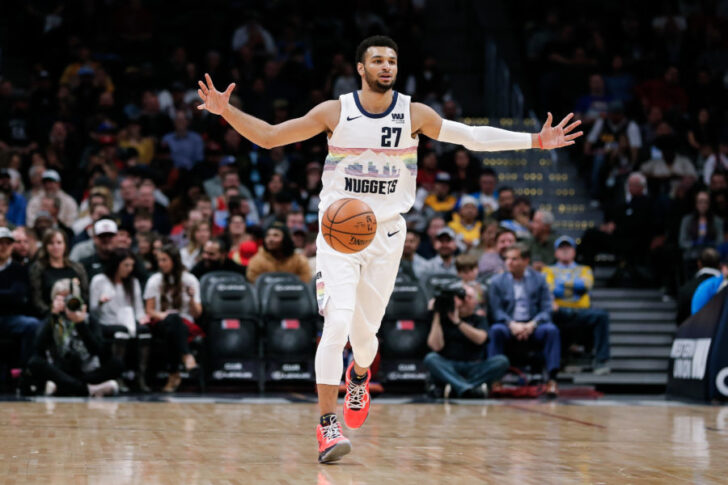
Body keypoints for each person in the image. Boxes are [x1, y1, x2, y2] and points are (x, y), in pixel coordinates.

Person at [197, 35, 581, 463]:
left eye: (392, 61)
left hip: (386, 236)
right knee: (337, 322)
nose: (386, 67)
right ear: (360, 68)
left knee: (365, 341)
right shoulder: (335, 111)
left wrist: (535, 141)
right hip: (337, 234)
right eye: (377, 60)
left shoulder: (414, 113)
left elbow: (472, 136)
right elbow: (269, 137)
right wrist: (226, 112)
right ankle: (327, 427)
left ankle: (358, 375)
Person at [27, 278, 122, 397]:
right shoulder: (51, 318)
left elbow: (98, 350)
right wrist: (53, 317)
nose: (66, 303)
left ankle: (64, 387)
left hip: (87, 370)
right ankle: (90, 390)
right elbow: (38, 346)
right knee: (34, 362)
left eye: (69, 298)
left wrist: (81, 324)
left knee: (117, 364)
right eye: (61, 299)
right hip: (61, 369)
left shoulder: (88, 319)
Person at [487, 244, 561, 396]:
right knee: (495, 331)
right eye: (507, 259)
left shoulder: (539, 279)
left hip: (533, 324)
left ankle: (552, 380)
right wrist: (512, 324)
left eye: (514, 259)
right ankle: (495, 380)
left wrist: (532, 325)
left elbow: (546, 308)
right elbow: (496, 311)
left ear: (526, 260)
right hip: (508, 325)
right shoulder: (496, 281)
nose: (509, 262)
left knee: (551, 330)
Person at [424, 284, 509, 398]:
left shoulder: (479, 319)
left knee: (502, 361)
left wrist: (457, 321)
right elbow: (436, 346)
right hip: (450, 365)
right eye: (461, 297)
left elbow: (480, 339)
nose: (464, 300)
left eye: (468, 297)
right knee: (431, 359)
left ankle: (457, 386)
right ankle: (468, 388)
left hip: (475, 367)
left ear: (475, 302)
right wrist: (437, 314)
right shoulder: (441, 318)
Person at [543, 236, 610, 374]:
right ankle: (555, 360)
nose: (565, 251)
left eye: (568, 247)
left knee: (602, 316)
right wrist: (574, 288)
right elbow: (551, 289)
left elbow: (586, 285)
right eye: (561, 248)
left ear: (574, 251)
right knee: (550, 315)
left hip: (581, 311)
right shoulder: (548, 270)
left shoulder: (585, 269)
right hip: (559, 311)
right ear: (555, 252)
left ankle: (601, 361)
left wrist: (562, 285)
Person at [89, 248, 151, 392]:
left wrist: (142, 319)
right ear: (116, 264)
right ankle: (117, 375)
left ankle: (140, 376)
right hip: (106, 322)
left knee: (145, 331)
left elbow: (138, 309)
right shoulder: (99, 280)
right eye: (126, 265)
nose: (129, 269)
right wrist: (100, 302)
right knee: (120, 332)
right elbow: (93, 311)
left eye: (131, 265)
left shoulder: (133, 282)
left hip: (128, 321)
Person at [143, 244, 202, 392]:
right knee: (172, 320)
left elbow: (197, 313)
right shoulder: (154, 280)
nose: (161, 264)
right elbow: (149, 310)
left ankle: (173, 374)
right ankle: (187, 357)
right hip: (160, 320)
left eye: (164, 260)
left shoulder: (190, 280)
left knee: (174, 324)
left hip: (185, 323)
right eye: (159, 260)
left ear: (174, 261)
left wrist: (191, 298)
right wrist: (163, 315)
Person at [0, 227, 41, 368]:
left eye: (7, 243)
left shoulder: (19, 269)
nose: (3, 247)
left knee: (32, 324)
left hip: (11, 318)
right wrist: (8, 295)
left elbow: (18, 296)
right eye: (0, 243)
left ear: (12, 246)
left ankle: (25, 371)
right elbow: (12, 295)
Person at [29, 229, 89, 317]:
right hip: (49, 315)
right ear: (45, 246)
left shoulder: (77, 268)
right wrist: (51, 313)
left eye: (59, 242)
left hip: (76, 314)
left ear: (65, 245)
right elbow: (36, 299)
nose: (55, 247)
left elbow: (85, 294)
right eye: (51, 243)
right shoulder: (38, 268)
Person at [245, 222, 311, 284]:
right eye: (268, 235)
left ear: (286, 239)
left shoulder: (299, 261)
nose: (270, 239)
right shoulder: (256, 261)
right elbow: (254, 284)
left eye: (276, 235)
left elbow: (305, 282)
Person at [677, 248, 721, 324]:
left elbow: (680, 320)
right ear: (719, 265)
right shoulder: (722, 284)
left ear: (699, 263)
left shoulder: (686, 289)